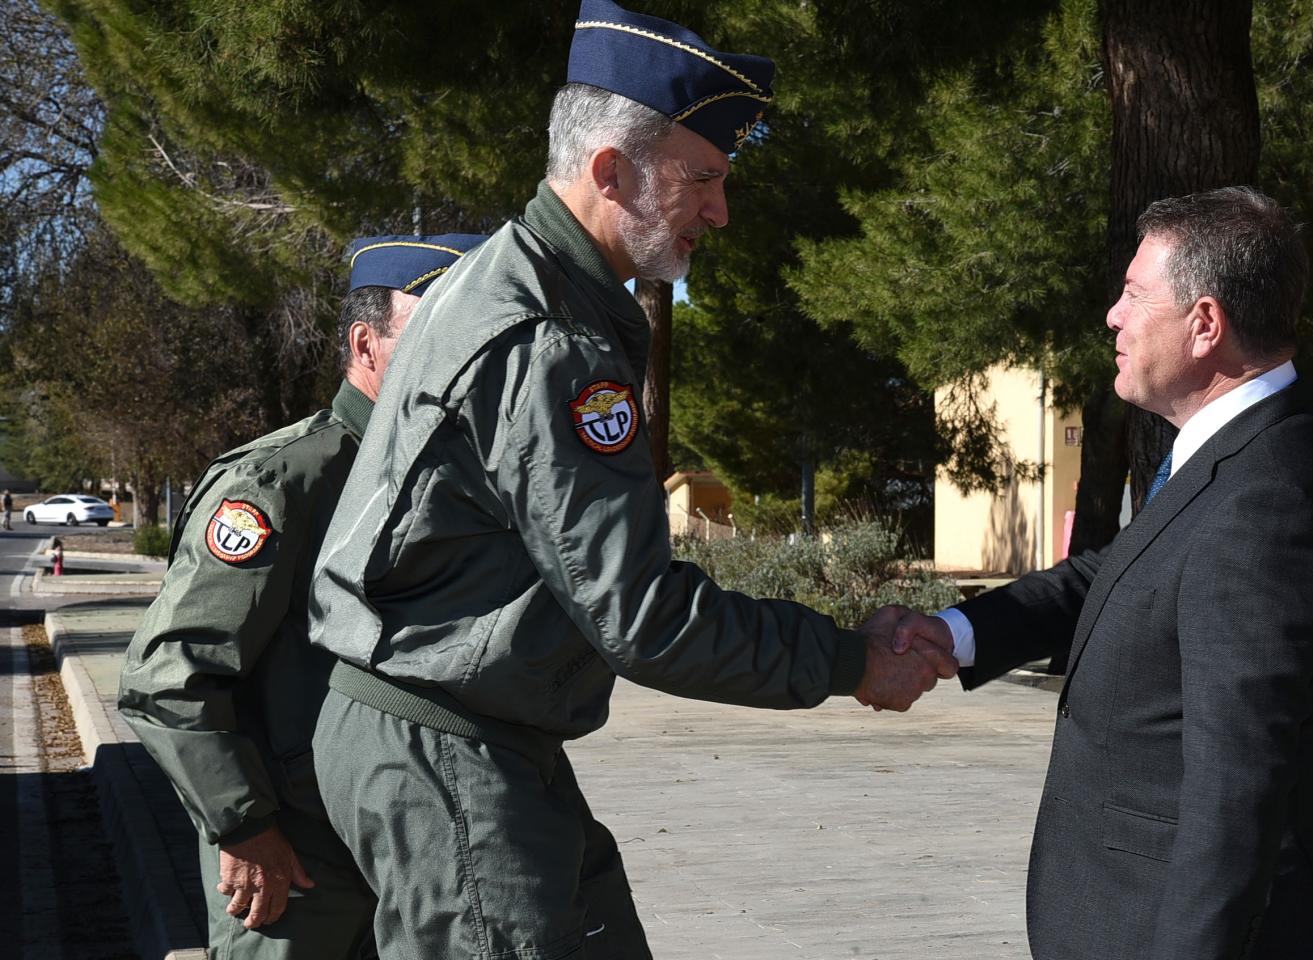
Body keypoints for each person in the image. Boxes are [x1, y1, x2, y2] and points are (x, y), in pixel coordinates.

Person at [307, 4, 952, 958]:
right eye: (702, 179)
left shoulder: (528, 289)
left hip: (470, 733)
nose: (722, 211)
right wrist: (848, 661)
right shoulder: (549, 339)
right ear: (610, 171)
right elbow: (642, 617)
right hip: (450, 745)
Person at [893, 188, 1313, 959]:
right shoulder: (1232, 451)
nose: (1113, 317)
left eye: (1133, 294)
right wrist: (957, 633)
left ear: (1204, 324)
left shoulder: (1272, 497)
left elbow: (1239, 785)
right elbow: (1121, 572)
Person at [117, 233, 485, 959]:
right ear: (366, 343)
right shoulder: (289, 481)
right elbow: (168, 678)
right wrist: (244, 826)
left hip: (426, 853)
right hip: (298, 864)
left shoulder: (464, 481)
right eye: (435, 330)